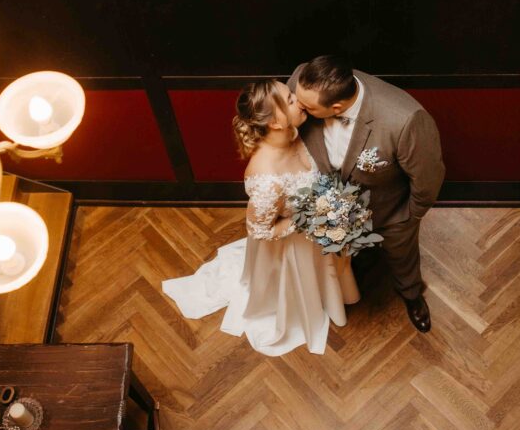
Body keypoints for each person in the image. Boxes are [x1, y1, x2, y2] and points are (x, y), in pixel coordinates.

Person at [162, 80, 360, 357]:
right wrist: (310, 217)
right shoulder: (266, 178)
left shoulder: (296, 133)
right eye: (290, 100)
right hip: (292, 247)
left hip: (318, 234)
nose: (299, 101)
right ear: (276, 122)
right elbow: (260, 230)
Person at [288, 56, 445, 333]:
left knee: (402, 255)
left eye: (307, 108)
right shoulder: (303, 83)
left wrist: (408, 218)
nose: (298, 106)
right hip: (331, 203)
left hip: (388, 209)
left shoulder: (405, 120)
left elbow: (428, 179)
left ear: (336, 107)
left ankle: (412, 296)